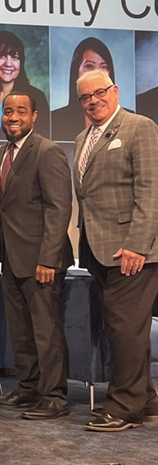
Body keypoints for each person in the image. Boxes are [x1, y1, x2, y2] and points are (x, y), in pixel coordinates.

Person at [73, 69, 158, 432]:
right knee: (123, 329)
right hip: (99, 251)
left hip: (133, 251)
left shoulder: (140, 127)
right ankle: (147, 401)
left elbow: (151, 192)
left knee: (125, 329)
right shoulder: (82, 138)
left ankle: (123, 407)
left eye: (99, 92)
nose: (93, 101)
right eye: (85, 97)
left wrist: (138, 245)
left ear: (115, 90)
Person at [0, 93, 74, 420]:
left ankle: (54, 397)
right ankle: (28, 388)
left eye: (20, 111)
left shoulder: (47, 151)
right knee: (21, 330)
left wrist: (48, 260)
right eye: (8, 111)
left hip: (42, 261)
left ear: (34, 116)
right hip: (11, 258)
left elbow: (59, 208)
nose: (13, 117)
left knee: (45, 331)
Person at [52, 37, 116, 141]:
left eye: (103, 67)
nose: (96, 72)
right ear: (76, 70)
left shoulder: (133, 121)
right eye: (90, 66)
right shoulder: (56, 119)